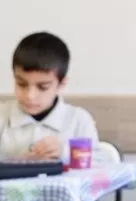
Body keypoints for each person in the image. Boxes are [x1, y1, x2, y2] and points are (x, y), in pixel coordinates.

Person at [0, 32, 98, 162]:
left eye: (43, 87)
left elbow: (103, 164)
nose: (30, 96)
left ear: (61, 84)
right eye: (21, 84)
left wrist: (67, 153)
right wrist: (21, 161)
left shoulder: (78, 120)